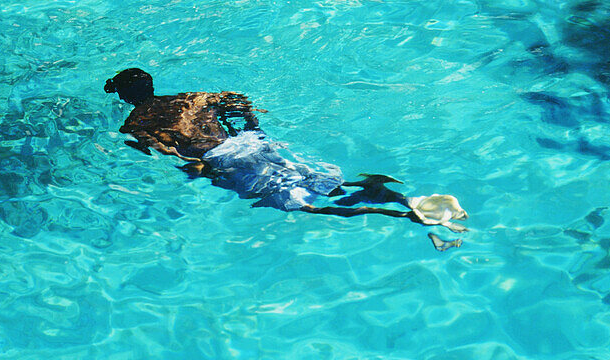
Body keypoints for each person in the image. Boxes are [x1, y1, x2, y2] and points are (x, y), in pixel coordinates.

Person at [104, 68, 468, 250]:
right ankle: (399, 195)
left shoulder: (134, 123)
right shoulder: (190, 97)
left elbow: (164, 151)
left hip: (223, 160)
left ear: (124, 97)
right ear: (152, 84)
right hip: (250, 143)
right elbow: (233, 96)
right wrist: (250, 127)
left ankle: (408, 216)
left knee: (302, 204)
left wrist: (196, 168)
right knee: (315, 180)